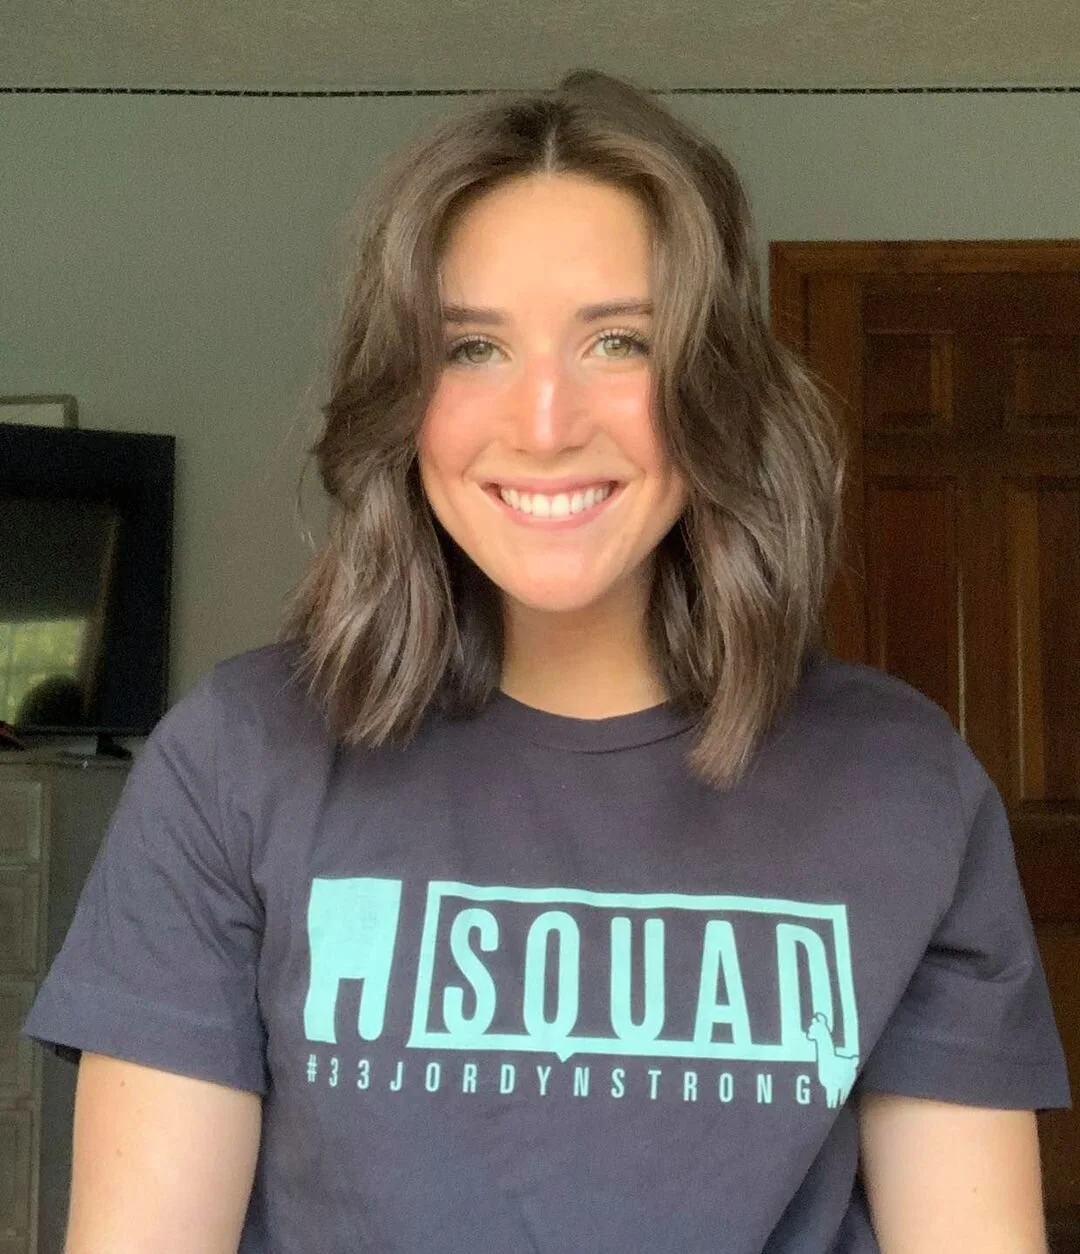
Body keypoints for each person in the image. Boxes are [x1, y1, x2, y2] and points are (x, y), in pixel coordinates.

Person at [23, 69, 1070, 1253]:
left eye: (619, 341)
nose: (544, 423)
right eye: (472, 348)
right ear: (402, 396)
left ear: (714, 384)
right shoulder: (238, 759)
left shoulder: (901, 783)